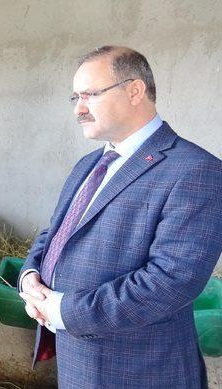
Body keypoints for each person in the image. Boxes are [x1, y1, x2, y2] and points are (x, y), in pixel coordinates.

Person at [19, 45, 222, 388]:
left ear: (134, 91)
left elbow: (171, 283)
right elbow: (54, 234)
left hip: (140, 371)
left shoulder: (195, 171)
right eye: (75, 98)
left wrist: (63, 311)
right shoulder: (88, 165)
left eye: (90, 95)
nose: (78, 110)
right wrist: (30, 277)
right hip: (77, 361)